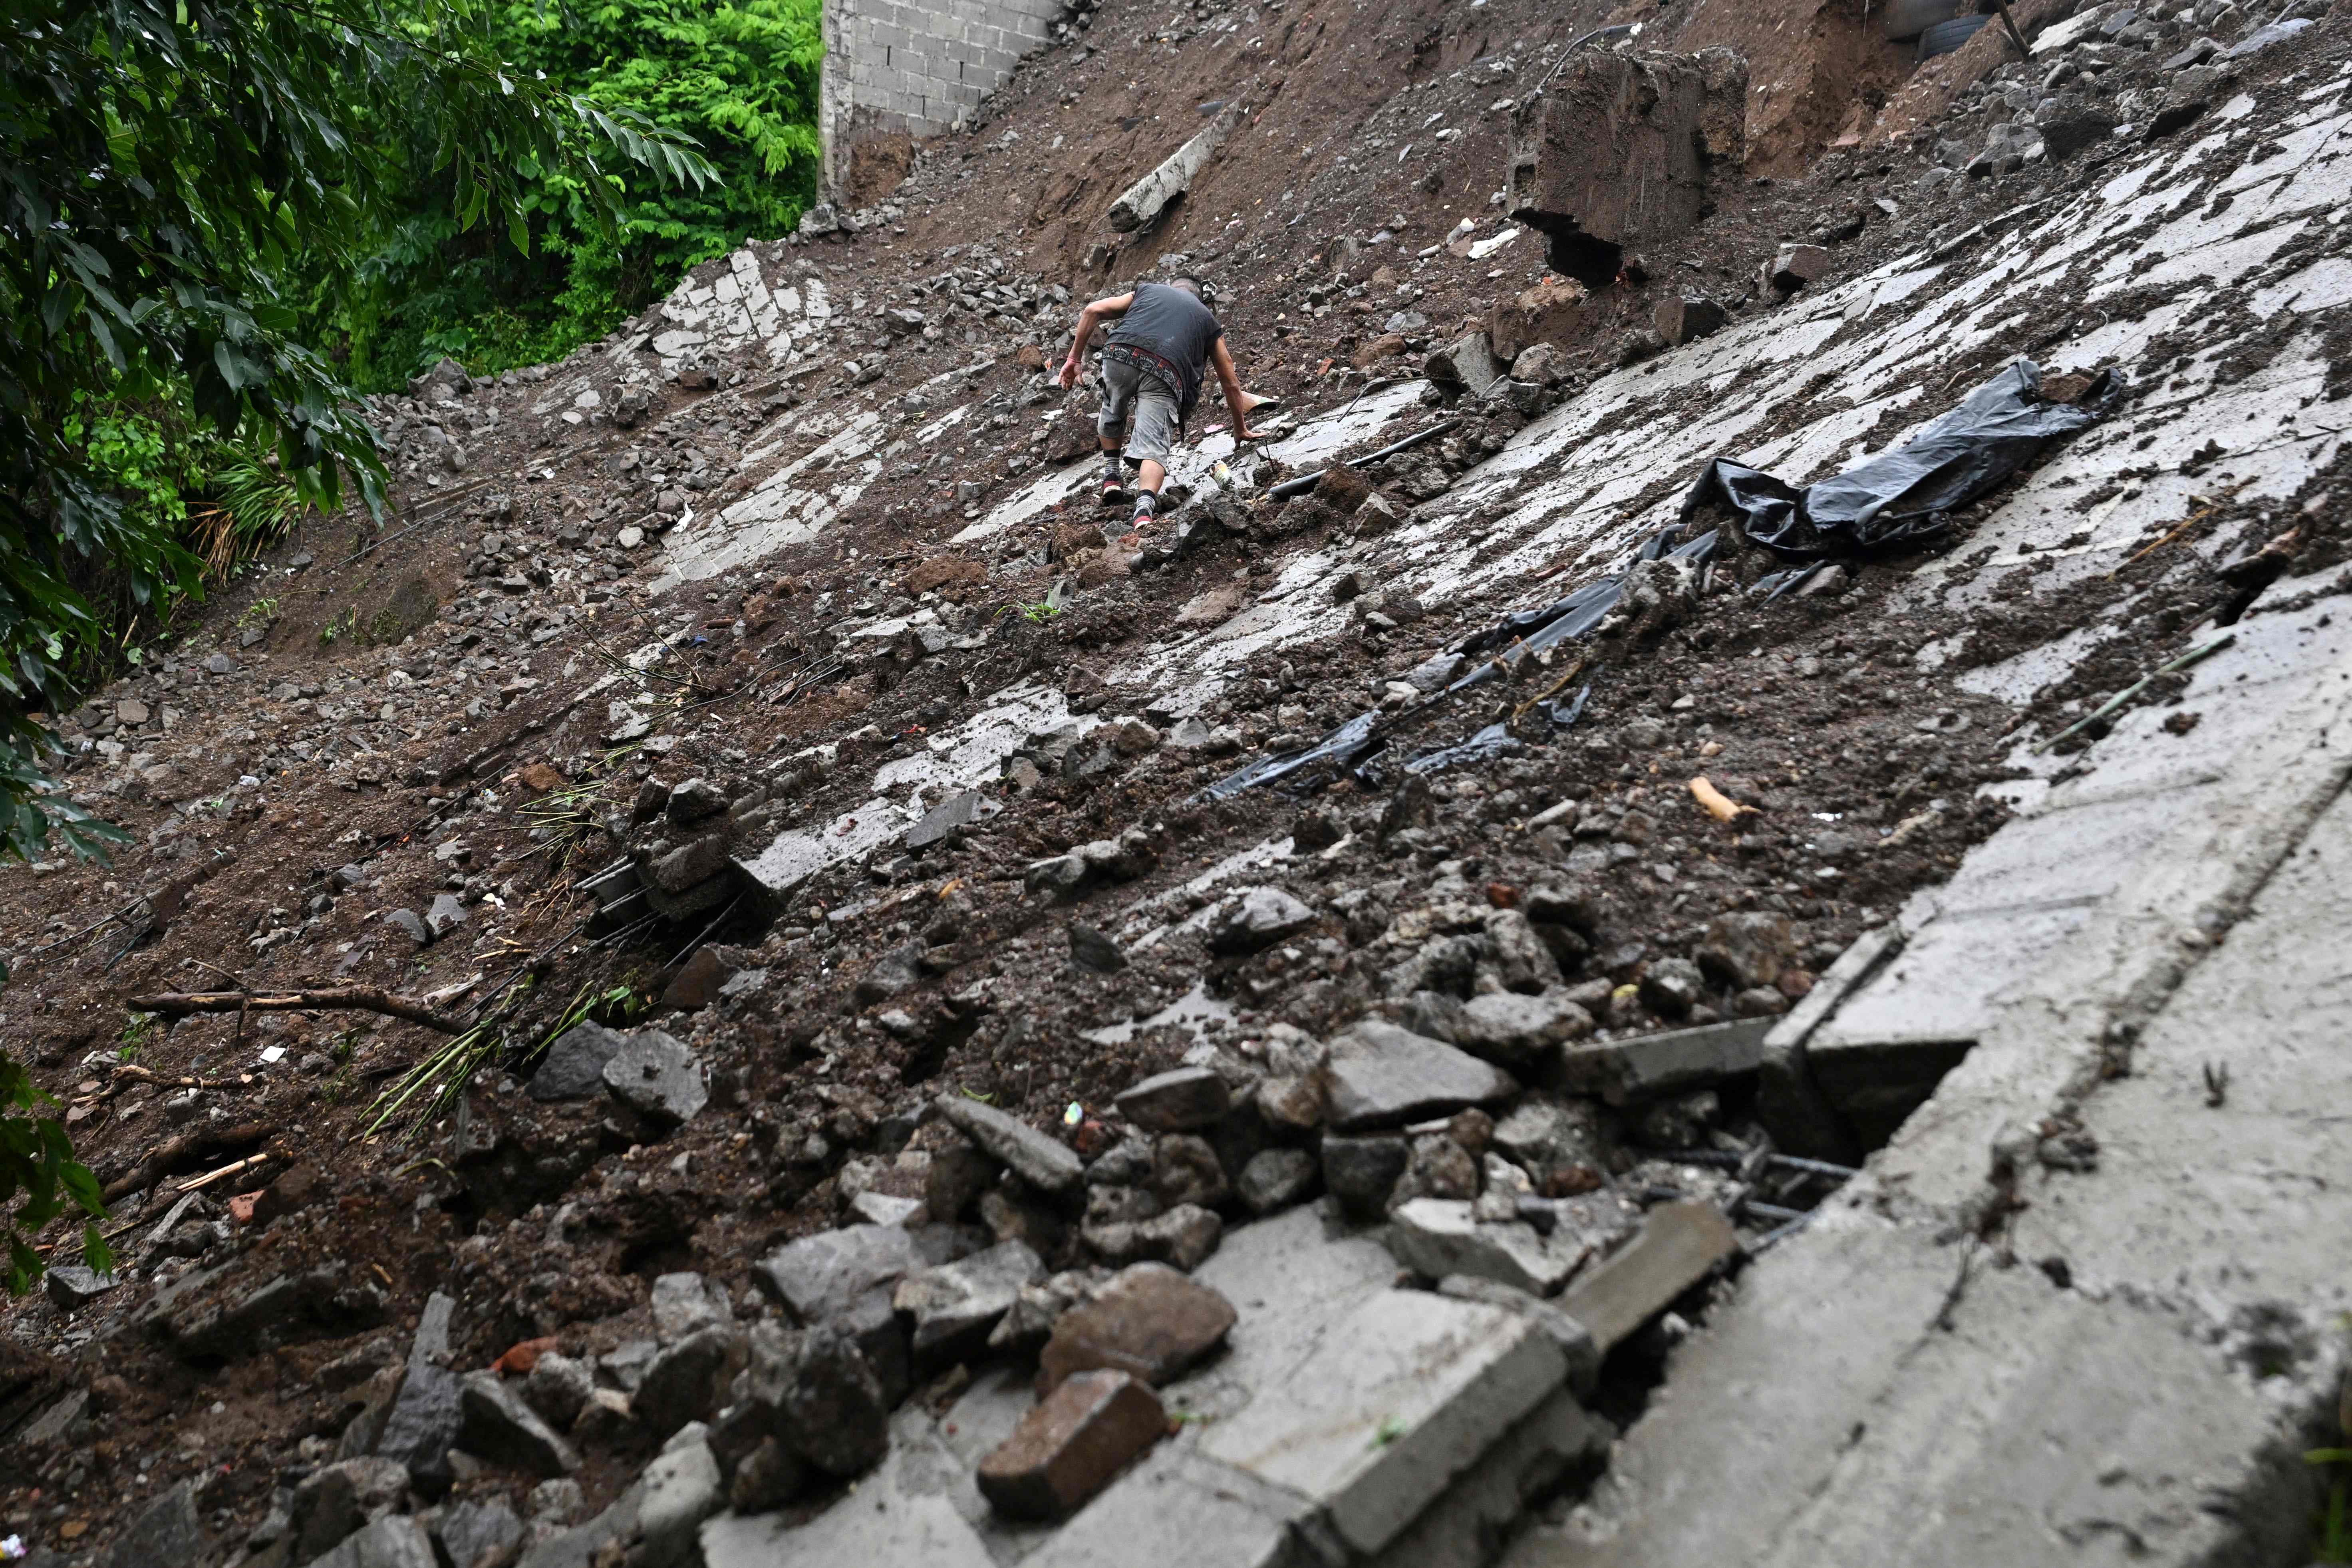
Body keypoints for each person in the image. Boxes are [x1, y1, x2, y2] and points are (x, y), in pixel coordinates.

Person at [1058, 278, 1272, 527]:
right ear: (1201, 298)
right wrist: (1240, 428)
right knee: (1153, 444)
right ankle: (1144, 511)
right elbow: (1231, 382)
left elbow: (1093, 310)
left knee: (1113, 408)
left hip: (1120, 354)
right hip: (1165, 371)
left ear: (1172, 287)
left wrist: (1074, 359)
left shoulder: (1148, 291)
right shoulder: (1208, 320)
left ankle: (1112, 476)